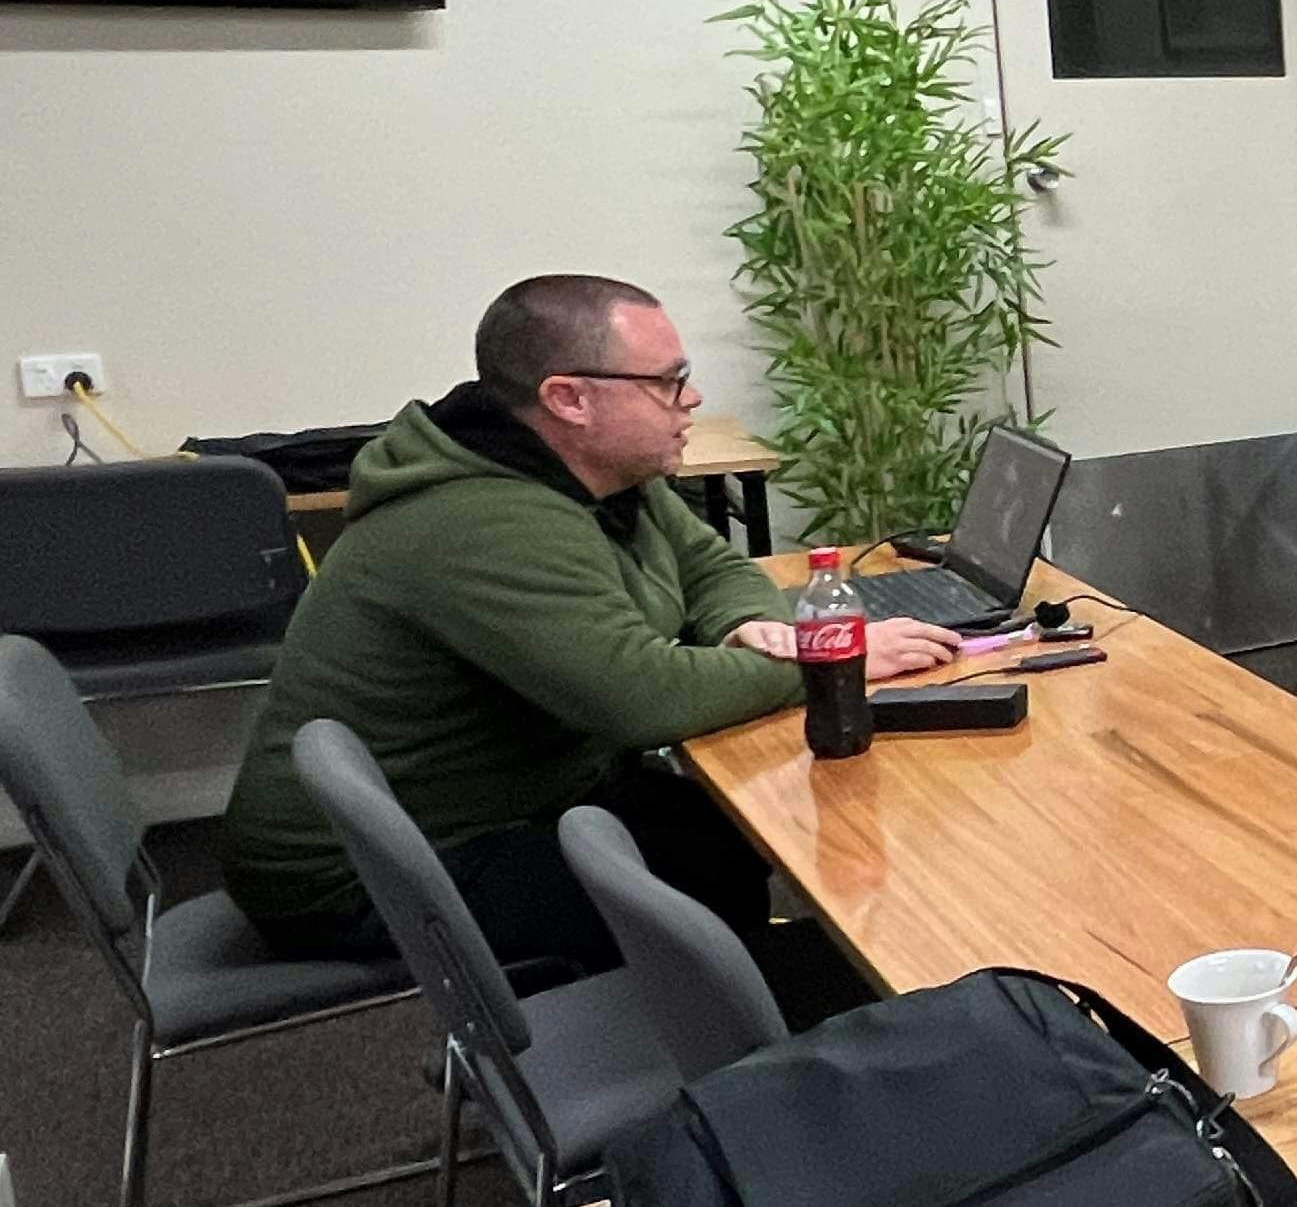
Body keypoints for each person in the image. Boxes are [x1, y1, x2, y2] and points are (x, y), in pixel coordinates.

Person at [221, 275, 960, 981]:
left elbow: (717, 569)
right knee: (696, 869)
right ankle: (700, 1062)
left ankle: (733, 1036)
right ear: (569, 399)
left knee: (711, 833)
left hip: (503, 802)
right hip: (362, 874)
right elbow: (643, 698)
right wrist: (827, 659)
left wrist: (752, 628)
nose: (691, 398)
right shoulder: (484, 519)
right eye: (668, 381)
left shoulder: (599, 476)